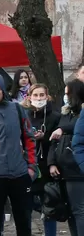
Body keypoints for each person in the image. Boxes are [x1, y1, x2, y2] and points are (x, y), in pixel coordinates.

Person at [0, 73, 36, 236]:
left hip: (20, 173)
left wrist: (31, 167)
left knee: (23, 221)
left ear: (3, 89)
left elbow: (29, 138)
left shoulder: (17, 109)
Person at [25, 83, 60, 236]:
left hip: (46, 163)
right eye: (36, 95)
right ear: (29, 97)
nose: (38, 99)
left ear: (47, 96)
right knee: (26, 203)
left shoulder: (55, 116)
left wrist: (44, 137)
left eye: (41, 95)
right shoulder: (24, 114)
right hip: (28, 164)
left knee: (49, 204)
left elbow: (56, 141)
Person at [55, 80, 84, 235]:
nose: (65, 97)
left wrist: (63, 129)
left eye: (68, 94)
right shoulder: (66, 113)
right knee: (72, 211)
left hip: (76, 169)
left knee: (79, 210)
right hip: (65, 169)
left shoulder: (80, 113)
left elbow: (78, 130)